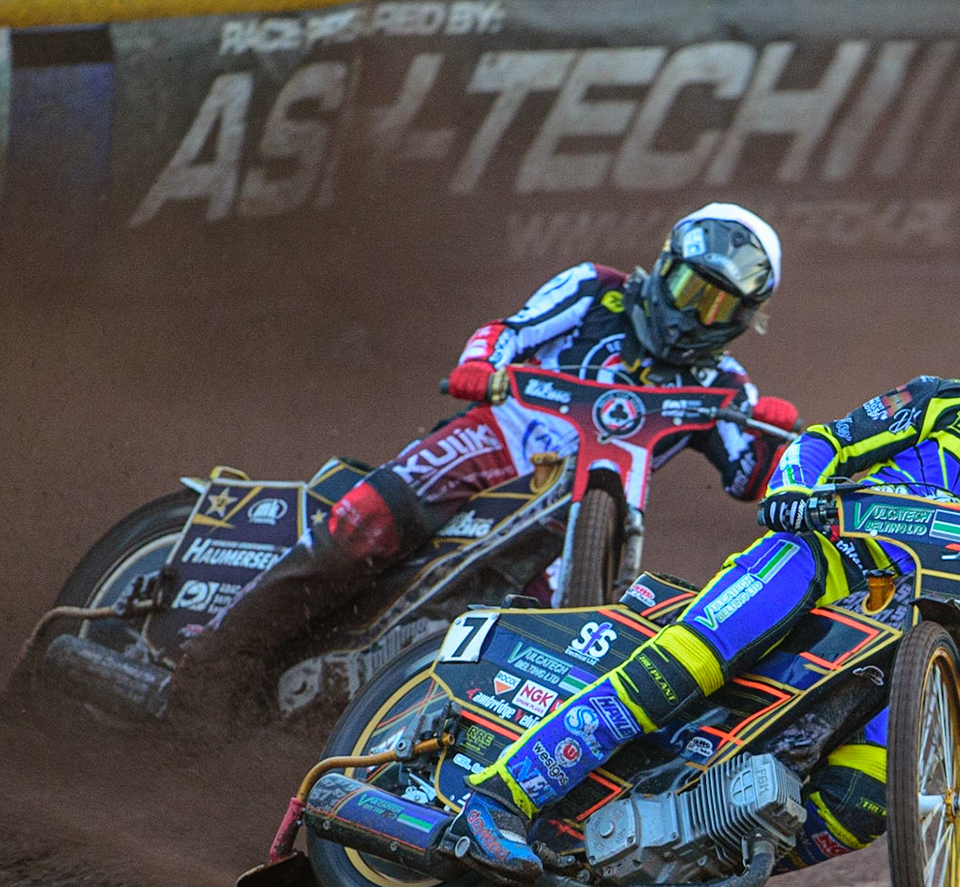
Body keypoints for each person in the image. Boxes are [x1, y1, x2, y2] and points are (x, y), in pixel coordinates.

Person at [444, 296, 960, 887]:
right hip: (818, 564)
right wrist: (794, 489)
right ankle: (500, 797)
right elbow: (823, 442)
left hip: (909, 650)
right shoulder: (943, 406)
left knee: (880, 788)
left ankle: (698, 864)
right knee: (691, 660)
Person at [171, 203, 800, 718]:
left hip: (577, 524)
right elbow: (510, 330)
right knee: (362, 526)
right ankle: (211, 661)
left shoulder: (725, 388)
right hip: (496, 440)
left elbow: (754, 478)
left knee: (552, 643)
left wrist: (778, 436)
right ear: (665, 268)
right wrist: (480, 365)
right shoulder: (595, 289)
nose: (693, 313)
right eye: (690, 288)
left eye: (715, 306)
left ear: (742, 321)